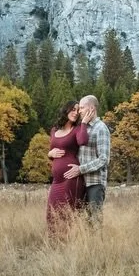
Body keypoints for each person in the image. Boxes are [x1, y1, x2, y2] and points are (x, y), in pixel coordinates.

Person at [61, 94, 110, 224]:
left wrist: (80, 169)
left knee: (95, 220)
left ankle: (97, 244)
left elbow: (103, 159)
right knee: (82, 221)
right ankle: (84, 244)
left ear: (92, 108)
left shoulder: (101, 128)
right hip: (80, 182)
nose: (79, 111)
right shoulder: (83, 128)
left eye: (82, 108)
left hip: (94, 183)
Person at [45, 100, 88, 237]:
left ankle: (69, 243)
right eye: (72, 109)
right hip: (57, 181)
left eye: (77, 110)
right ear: (66, 110)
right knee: (51, 213)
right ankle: (54, 242)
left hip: (71, 177)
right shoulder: (54, 130)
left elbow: (83, 141)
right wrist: (49, 154)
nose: (75, 113)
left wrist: (84, 123)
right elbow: (52, 151)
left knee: (68, 213)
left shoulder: (77, 129)